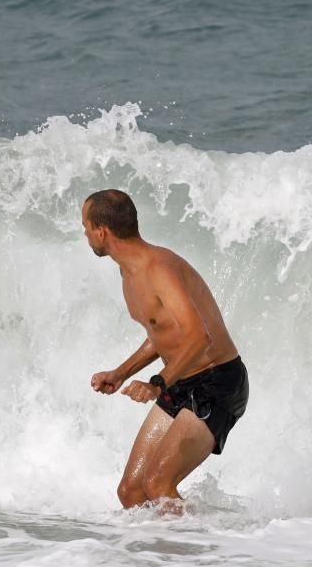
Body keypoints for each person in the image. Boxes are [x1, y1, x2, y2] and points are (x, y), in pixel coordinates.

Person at [82, 189, 249, 512]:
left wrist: (157, 383)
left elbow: (199, 337)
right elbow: (162, 334)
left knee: (158, 484)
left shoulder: (159, 268)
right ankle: (159, 558)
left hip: (218, 382)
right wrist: (120, 373)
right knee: (131, 491)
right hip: (182, 381)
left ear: (102, 231)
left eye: (86, 227)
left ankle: (204, 554)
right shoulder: (128, 272)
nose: (85, 235)